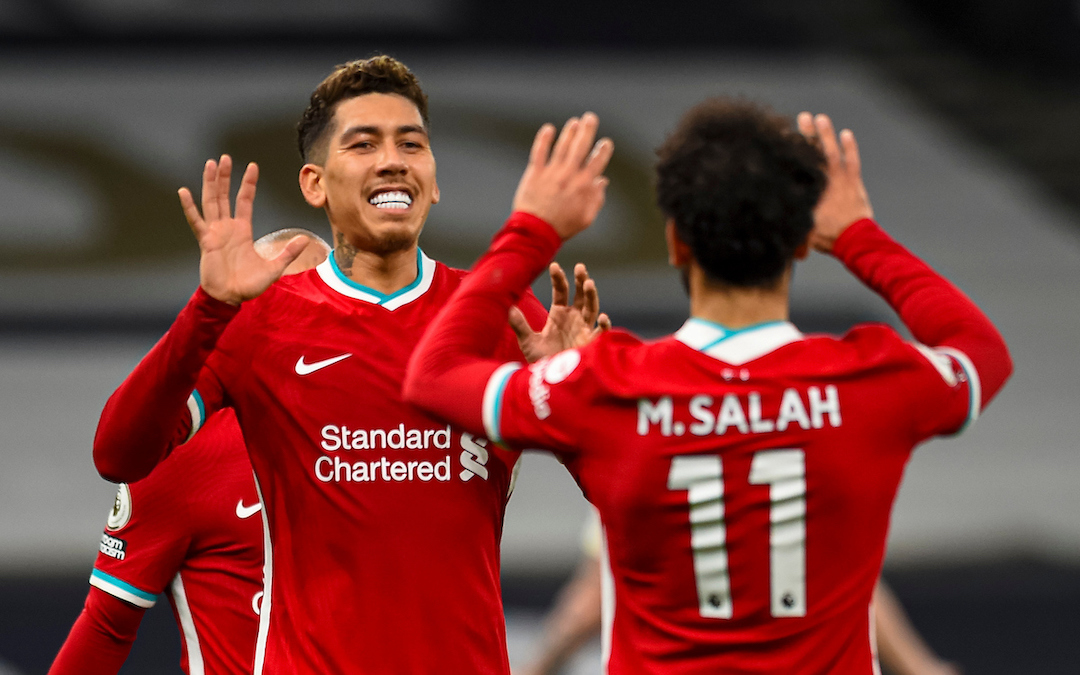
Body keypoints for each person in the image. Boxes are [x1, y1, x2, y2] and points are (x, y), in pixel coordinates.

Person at [403, 105, 1011, 673]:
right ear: (802, 242)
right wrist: (858, 237)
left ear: (676, 245)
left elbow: (433, 374)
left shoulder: (605, 387)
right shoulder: (869, 380)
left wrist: (532, 231)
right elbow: (981, 351)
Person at [90, 55, 601, 674]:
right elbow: (119, 455)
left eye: (411, 144)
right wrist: (209, 307)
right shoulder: (259, 319)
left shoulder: (502, 315)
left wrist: (580, 410)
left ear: (433, 180)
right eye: (363, 144)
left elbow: (631, 501)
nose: (392, 159)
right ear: (314, 184)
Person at [49, 230, 330, 675]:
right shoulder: (182, 454)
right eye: (277, 297)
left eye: (322, 298)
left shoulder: (388, 435)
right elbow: (106, 627)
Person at [517, 513, 961, 675]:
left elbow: (585, 608)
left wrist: (537, 668)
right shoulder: (795, 463)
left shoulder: (640, 461)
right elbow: (855, 589)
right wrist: (922, 668)